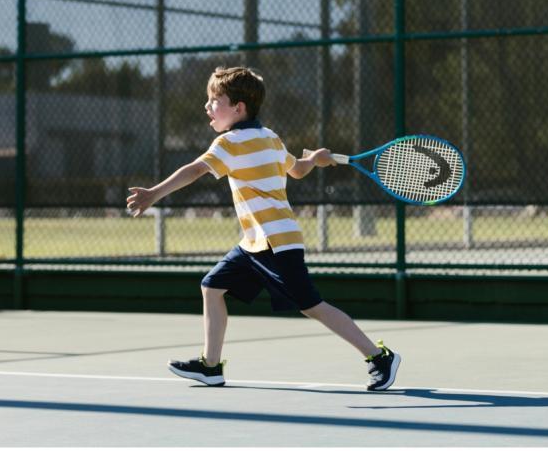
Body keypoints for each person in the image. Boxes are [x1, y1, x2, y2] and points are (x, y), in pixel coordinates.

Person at [126, 66, 400, 391]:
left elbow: (195, 170)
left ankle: (379, 358)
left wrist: (153, 194)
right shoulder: (270, 137)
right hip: (255, 242)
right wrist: (315, 159)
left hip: (276, 242)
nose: (207, 106)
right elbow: (297, 170)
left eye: (215, 100)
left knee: (311, 305)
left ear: (238, 108)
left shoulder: (229, 143)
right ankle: (210, 367)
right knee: (212, 287)